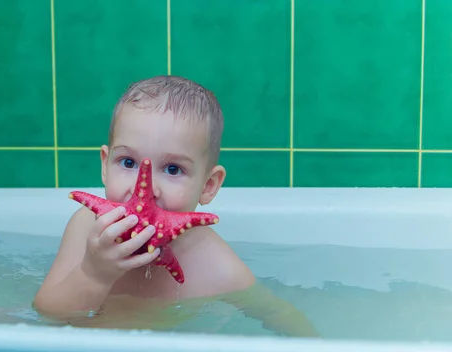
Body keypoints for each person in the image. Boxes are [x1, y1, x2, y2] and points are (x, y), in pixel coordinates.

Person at [33, 75, 319, 337]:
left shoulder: (216, 265)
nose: (146, 188)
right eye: (128, 163)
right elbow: (50, 315)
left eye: (172, 169)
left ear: (208, 186)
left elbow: (275, 313)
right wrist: (93, 274)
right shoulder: (85, 226)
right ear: (105, 166)